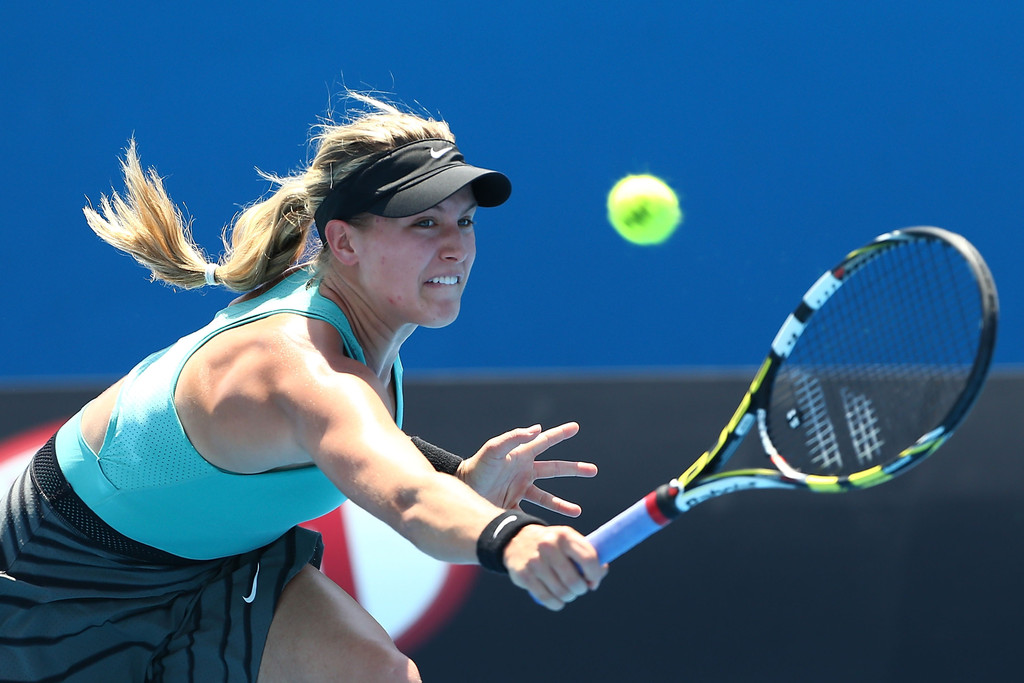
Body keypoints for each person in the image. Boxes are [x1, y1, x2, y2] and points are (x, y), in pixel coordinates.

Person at [0, 93, 606, 682]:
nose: (455, 245)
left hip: (218, 560)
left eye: (464, 221)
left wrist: (461, 476)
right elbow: (406, 496)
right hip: (60, 574)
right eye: (424, 222)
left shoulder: (352, 326)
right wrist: (511, 539)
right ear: (343, 242)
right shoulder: (301, 365)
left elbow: (362, 443)